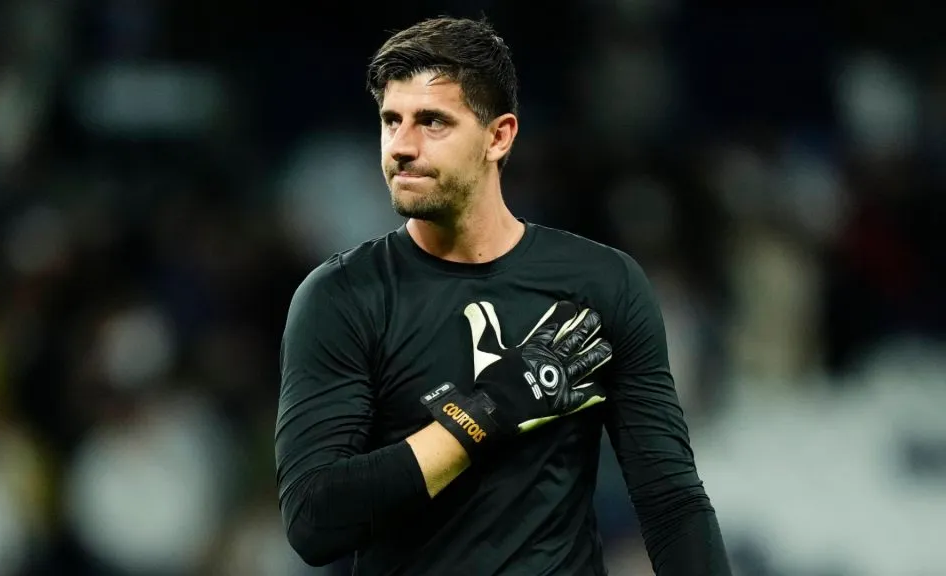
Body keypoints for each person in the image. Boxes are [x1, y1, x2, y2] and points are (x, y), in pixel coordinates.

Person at [275, 16, 731, 576]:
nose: (402, 147)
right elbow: (313, 520)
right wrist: (487, 413)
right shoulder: (341, 295)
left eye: (433, 122)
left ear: (499, 136)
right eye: (391, 121)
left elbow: (671, 503)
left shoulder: (601, 283)